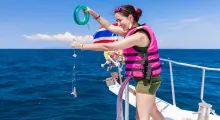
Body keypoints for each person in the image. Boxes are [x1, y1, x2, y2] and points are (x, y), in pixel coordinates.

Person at [71, 4, 164, 120]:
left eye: (120, 20)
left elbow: (108, 46)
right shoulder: (133, 31)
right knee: (152, 110)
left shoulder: (139, 36)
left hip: (146, 80)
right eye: (117, 21)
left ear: (130, 17)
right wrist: (91, 12)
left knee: (141, 117)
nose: (118, 24)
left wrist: (81, 46)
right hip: (149, 77)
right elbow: (109, 26)